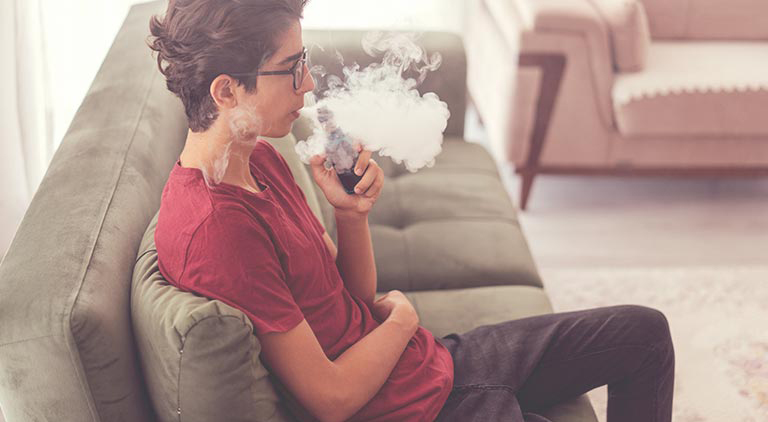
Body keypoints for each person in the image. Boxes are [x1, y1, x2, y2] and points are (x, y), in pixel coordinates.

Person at [148, 1, 675, 421]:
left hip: (434, 365)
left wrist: (352, 215)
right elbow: (330, 400)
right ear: (226, 91)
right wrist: (402, 321)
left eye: (303, 63)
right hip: (412, 408)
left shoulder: (258, 158)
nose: (308, 84)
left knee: (644, 334)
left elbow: (347, 297)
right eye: (291, 69)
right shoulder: (219, 230)